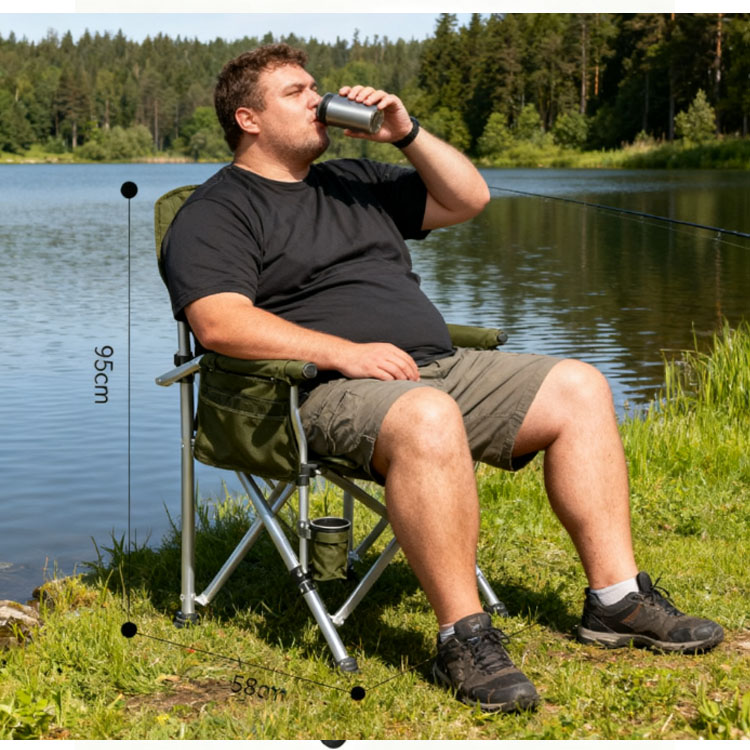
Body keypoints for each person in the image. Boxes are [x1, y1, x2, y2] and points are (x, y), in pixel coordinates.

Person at [162, 43, 724, 714]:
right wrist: (345, 352)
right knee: (426, 413)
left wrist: (407, 133)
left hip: (434, 366)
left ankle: (616, 600)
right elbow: (220, 322)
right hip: (310, 390)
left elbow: (468, 198)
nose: (318, 100)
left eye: (315, 87)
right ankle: (464, 637)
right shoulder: (217, 210)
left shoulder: (354, 179)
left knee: (579, 385)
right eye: (296, 92)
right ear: (248, 119)